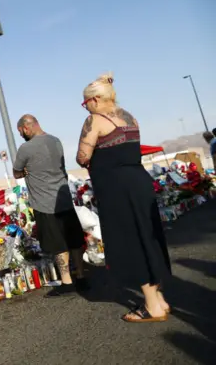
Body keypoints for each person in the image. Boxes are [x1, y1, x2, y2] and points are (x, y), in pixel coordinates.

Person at [76, 72, 171, 323]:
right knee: (148, 237)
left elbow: (82, 156)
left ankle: (152, 306)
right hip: (139, 181)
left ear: (95, 100)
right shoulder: (130, 117)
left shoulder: (94, 120)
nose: (86, 108)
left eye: (85, 103)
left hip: (116, 188)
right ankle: (159, 298)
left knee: (131, 241)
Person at [13, 115, 89, 297]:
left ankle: (66, 281)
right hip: (63, 198)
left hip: (44, 202)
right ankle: (80, 275)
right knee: (74, 239)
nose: (22, 135)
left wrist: (25, 171)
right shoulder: (56, 141)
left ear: (25, 128)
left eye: (21, 132)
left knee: (58, 243)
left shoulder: (25, 148)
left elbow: (16, 173)